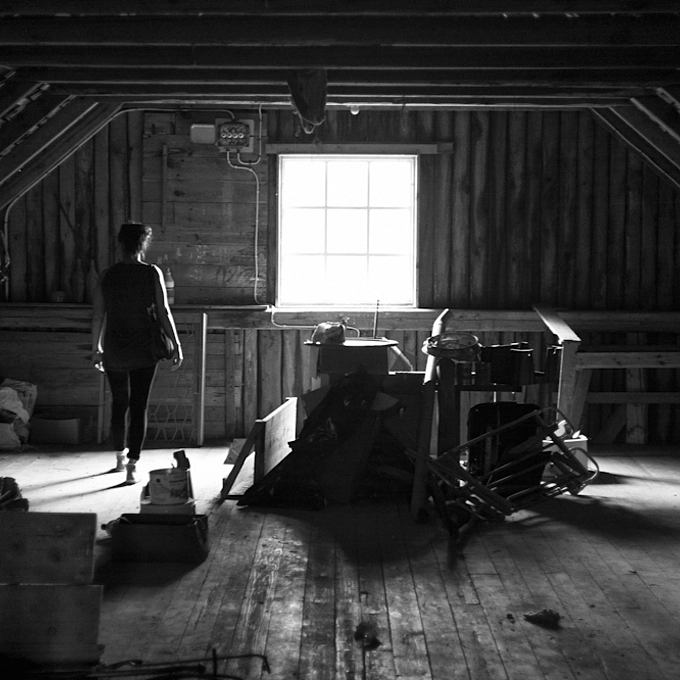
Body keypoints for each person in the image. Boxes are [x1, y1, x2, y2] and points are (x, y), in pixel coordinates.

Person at [91, 222, 183, 484]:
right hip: (144, 346)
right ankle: (133, 465)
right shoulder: (152, 273)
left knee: (119, 403)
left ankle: (119, 458)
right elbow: (164, 312)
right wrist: (176, 344)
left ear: (120, 244)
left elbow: (98, 315)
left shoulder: (108, 275)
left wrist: (96, 348)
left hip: (115, 346)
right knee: (139, 405)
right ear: (143, 245)